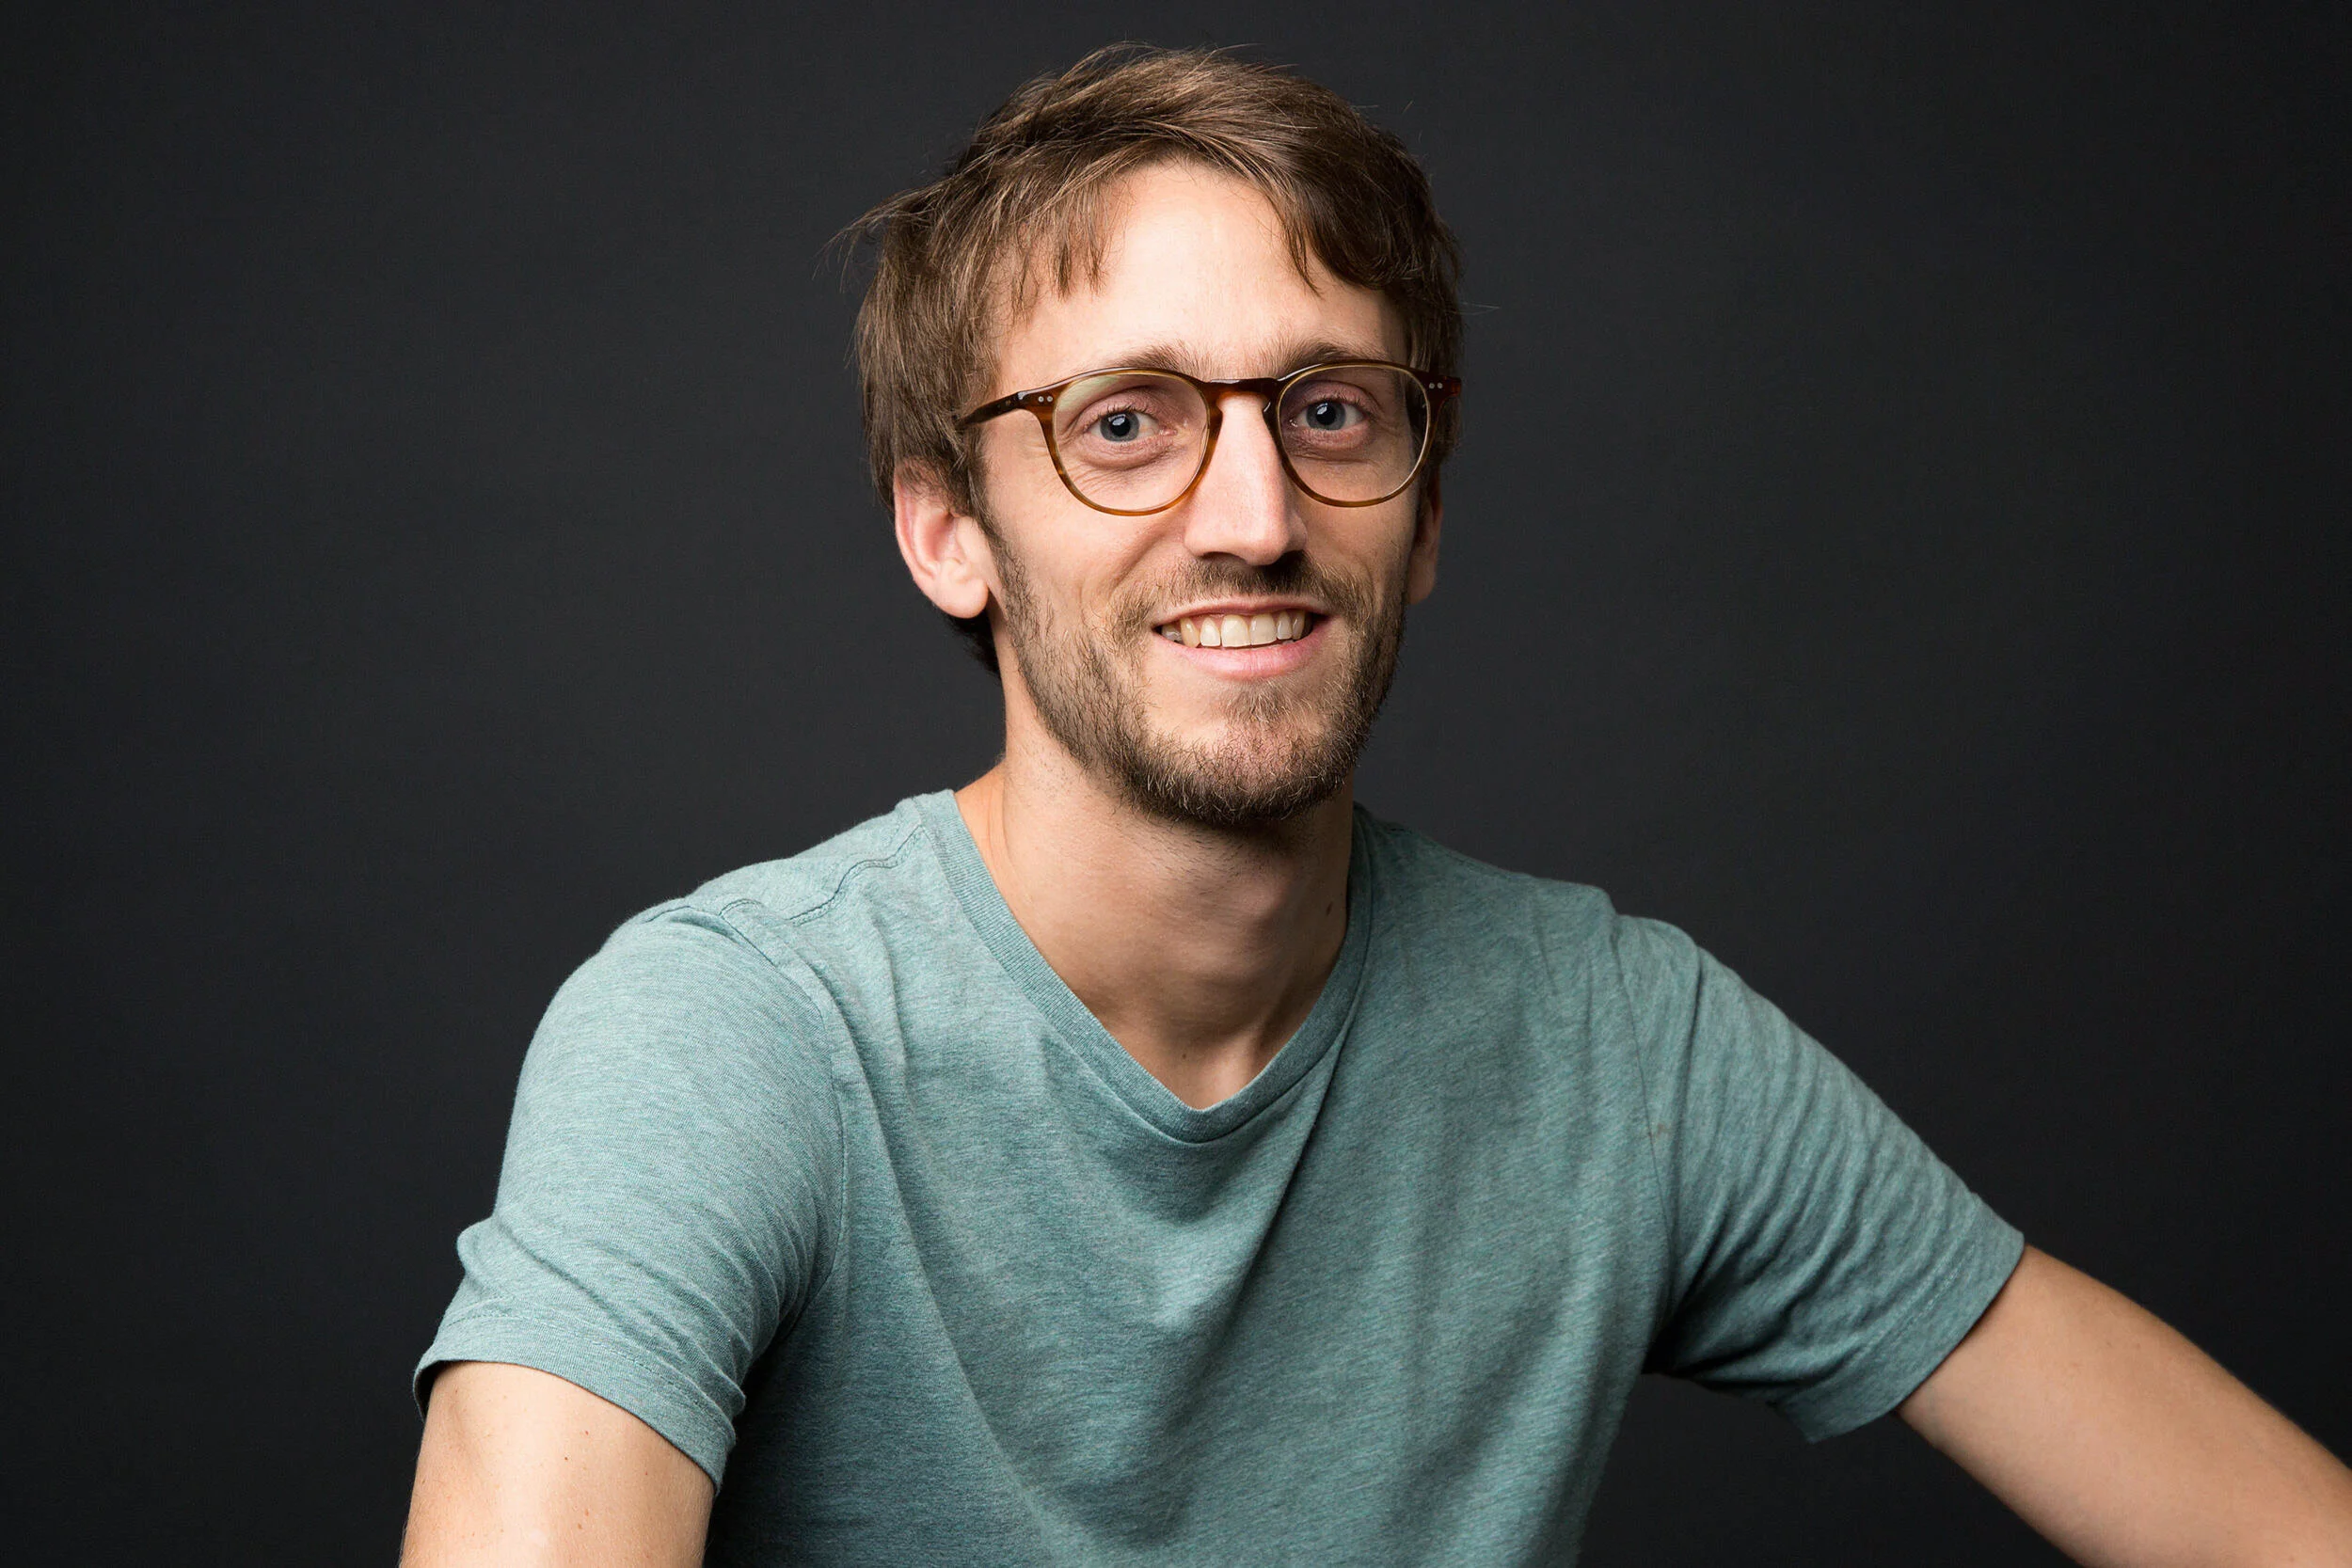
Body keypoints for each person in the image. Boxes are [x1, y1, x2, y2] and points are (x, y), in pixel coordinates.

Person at [400, 45, 2352, 1566]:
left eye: (1326, 409)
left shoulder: (1614, 1040)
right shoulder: (733, 1031)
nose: (1250, 514)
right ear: (946, 527)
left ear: (1419, 512)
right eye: (1124, 423)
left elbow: (2272, 1522)